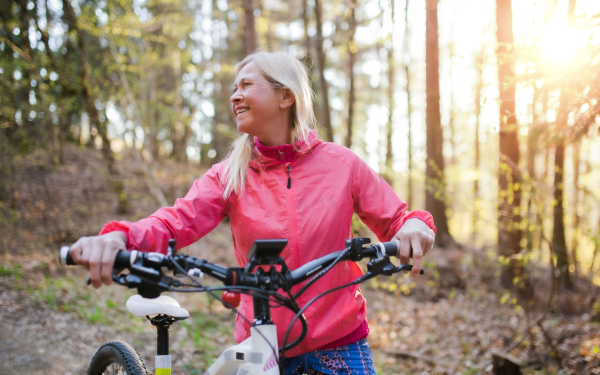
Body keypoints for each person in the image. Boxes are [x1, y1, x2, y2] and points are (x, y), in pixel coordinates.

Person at [69, 51, 436, 374]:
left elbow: (398, 218)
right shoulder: (231, 173)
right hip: (261, 342)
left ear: (285, 96)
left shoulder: (342, 164)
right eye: (234, 87)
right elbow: (175, 221)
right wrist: (120, 237)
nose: (235, 95)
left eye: (246, 84)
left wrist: (415, 226)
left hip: (339, 340)